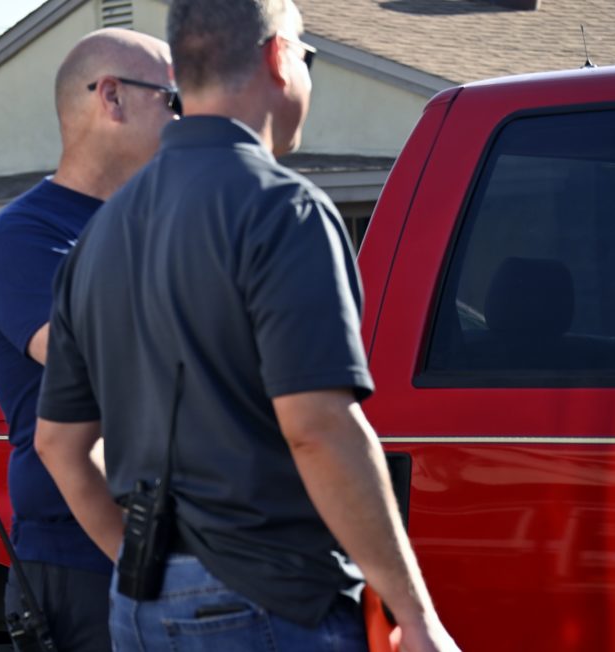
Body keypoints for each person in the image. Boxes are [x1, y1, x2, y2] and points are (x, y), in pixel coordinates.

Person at [34, 1, 459, 651]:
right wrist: (416, 615)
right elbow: (318, 428)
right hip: (271, 600)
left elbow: (59, 446)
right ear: (279, 57)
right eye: (309, 56)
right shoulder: (284, 209)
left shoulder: (98, 237)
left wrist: (145, 569)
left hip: (138, 608)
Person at [0, 28, 179, 652]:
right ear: (111, 97)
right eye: (173, 99)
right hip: (87, 562)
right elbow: (101, 365)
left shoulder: (161, 226)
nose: (187, 118)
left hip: (183, 552)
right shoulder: (24, 238)